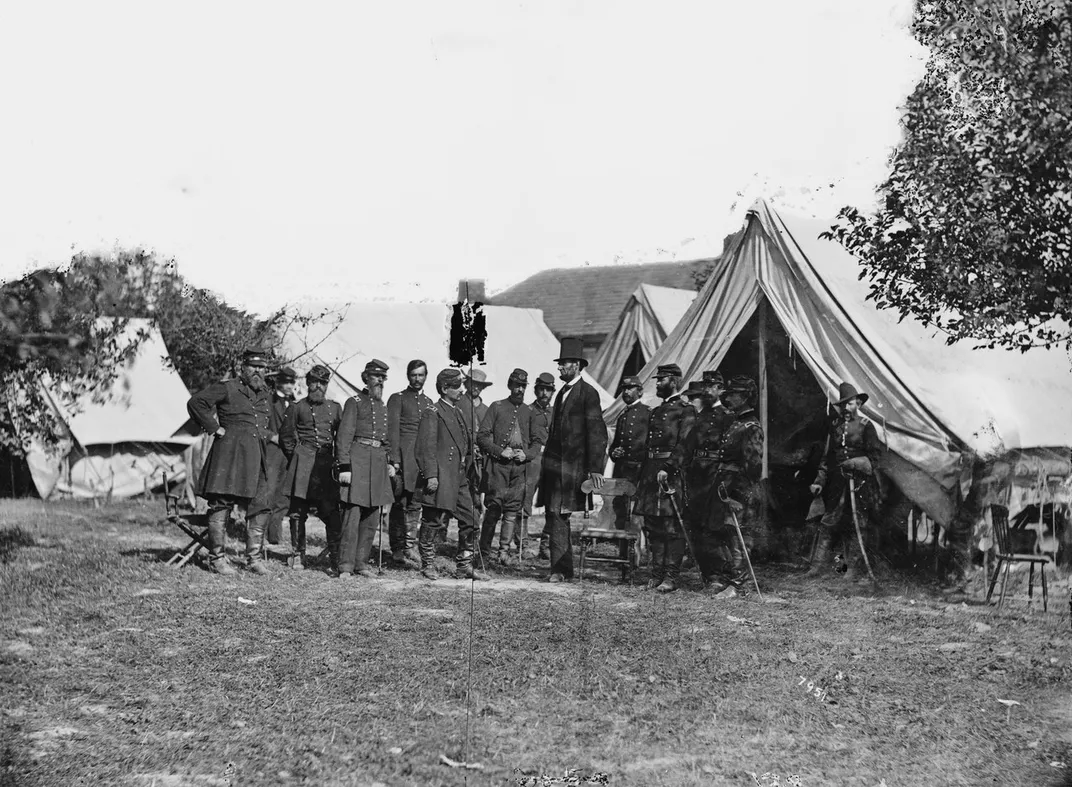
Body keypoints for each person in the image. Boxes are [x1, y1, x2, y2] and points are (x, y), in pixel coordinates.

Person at [186, 348, 274, 575]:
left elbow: (260, 426)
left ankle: (253, 559)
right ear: (243, 367)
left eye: (261, 367)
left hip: (256, 458)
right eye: (253, 366)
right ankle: (217, 559)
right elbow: (196, 402)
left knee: (261, 505)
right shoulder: (227, 387)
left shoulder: (265, 393)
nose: (257, 371)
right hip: (229, 456)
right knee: (220, 506)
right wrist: (215, 428)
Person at [538, 337, 608, 582]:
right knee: (555, 515)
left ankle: (560, 570)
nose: (559, 368)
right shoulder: (561, 393)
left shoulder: (588, 394)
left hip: (573, 469)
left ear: (577, 365)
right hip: (555, 469)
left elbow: (597, 433)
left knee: (559, 516)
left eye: (564, 364)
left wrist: (596, 469)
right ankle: (561, 569)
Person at [415, 368, 490, 581]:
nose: (460, 390)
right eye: (456, 386)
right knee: (432, 521)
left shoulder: (457, 411)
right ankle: (427, 565)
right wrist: (431, 475)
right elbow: (424, 448)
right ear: (444, 388)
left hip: (458, 478)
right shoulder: (433, 412)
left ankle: (464, 566)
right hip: (439, 477)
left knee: (472, 519)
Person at [807, 382, 884, 582]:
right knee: (829, 523)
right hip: (837, 484)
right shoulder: (835, 427)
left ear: (858, 404)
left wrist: (856, 463)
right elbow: (827, 458)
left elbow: (875, 458)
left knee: (856, 523)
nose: (846, 409)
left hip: (860, 483)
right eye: (843, 405)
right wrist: (819, 481)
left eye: (850, 404)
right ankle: (817, 568)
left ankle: (852, 571)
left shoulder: (867, 427)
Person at [633, 364, 696, 592]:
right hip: (651, 472)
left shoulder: (685, 410)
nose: (657, 383)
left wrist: (669, 467)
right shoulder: (657, 411)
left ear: (674, 381)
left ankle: (670, 577)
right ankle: (655, 574)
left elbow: (685, 444)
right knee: (653, 525)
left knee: (672, 527)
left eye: (661, 380)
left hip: (671, 474)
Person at [335, 359, 395, 579]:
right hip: (357, 462)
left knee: (371, 518)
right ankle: (345, 566)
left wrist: (390, 462)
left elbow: (387, 439)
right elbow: (344, 436)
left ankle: (361, 563)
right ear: (365, 378)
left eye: (383, 377)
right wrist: (345, 466)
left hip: (377, 464)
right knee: (352, 517)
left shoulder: (383, 406)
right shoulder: (354, 402)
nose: (380, 381)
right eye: (375, 376)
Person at [279, 365, 342, 572]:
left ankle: (335, 557)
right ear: (307, 383)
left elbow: (341, 438)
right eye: (314, 381)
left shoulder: (335, 408)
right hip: (303, 466)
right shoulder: (297, 407)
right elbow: (286, 438)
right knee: (298, 513)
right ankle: (298, 555)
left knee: (331, 513)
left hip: (325, 468)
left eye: (323, 382)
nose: (318, 386)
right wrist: (298, 457)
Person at [675, 372, 734, 589]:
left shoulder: (727, 416)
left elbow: (731, 450)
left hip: (715, 476)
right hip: (695, 477)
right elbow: (688, 445)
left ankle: (719, 575)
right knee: (696, 525)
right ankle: (708, 573)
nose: (708, 390)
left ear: (721, 390)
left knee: (713, 526)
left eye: (713, 386)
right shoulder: (699, 416)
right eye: (706, 386)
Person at [708, 375, 765, 597]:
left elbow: (753, 466)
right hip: (728, 486)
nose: (728, 398)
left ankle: (740, 585)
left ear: (745, 397)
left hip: (741, 490)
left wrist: (737, 495)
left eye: (733, 394)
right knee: (731, 535)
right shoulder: (736, 423)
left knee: (740, 536)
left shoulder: (751, 426)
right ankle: (735, 580)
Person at [477, 368, 540, 565]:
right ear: (509, 386)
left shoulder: (530, 412)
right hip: (498, 466)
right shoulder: (497, 407)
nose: (519, 390)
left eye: (523, 386)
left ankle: (503, 551)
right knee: (494, 508)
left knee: (512, 512)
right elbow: (482, 436)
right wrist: (498, 450)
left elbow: (537, 442)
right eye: (516, 385)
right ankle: (484, 551)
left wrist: (527, 454)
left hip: (519, 468)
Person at [386, 359, 433, 569]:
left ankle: (409, 546)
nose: (417, 379)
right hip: (403, 458)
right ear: (408, 375)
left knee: (415, 504)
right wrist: (395, 460)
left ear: (426, 376)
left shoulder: (429, 402)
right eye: (414, 375)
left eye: (421, 375)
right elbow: (392, 431)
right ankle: (396, 547)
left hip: (420, 460)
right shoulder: (398, 399)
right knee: (399, 503)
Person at [609, 375, 649, 532]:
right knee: (620, 507)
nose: (626, 392)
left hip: (638, 471)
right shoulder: (622, 416)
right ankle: (622, 547)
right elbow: (614, 445)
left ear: (640, 392)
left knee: (636, 511)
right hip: (621, 470)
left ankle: (637, 548)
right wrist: (614, 452)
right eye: (624, 389)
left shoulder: (647, 413)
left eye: (629, 388)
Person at [263, 367, 297, 546]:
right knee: (268, 493)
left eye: (293, 382)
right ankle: (260, 535)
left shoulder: (294, 403)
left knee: (284, 497)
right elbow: (259, 426)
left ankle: (275, 537)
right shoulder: (268, 400)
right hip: (273, 452)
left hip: (288, 454)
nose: (291, 386)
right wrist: (272, 436)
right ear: (279, 382)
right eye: (287, 382)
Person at [457, 369, 492, 539]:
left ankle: (471, 537)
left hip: (479, 461)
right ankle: (441, 537)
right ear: (466, 383)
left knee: (476, 499)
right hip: (460, 458)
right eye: (473, 383)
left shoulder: (486, 409)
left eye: (479, 385)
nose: (476, 387)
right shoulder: (458, 403)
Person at [525, 373, 555, 560]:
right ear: (536, 390)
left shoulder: (556, 412)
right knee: (525, 500)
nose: (544, 393)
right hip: (533, 459)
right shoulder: (527, 411)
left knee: (552, 503)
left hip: (551, 460)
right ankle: (523, 545)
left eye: (548, 390)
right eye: (541, 389)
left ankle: (546, 544)